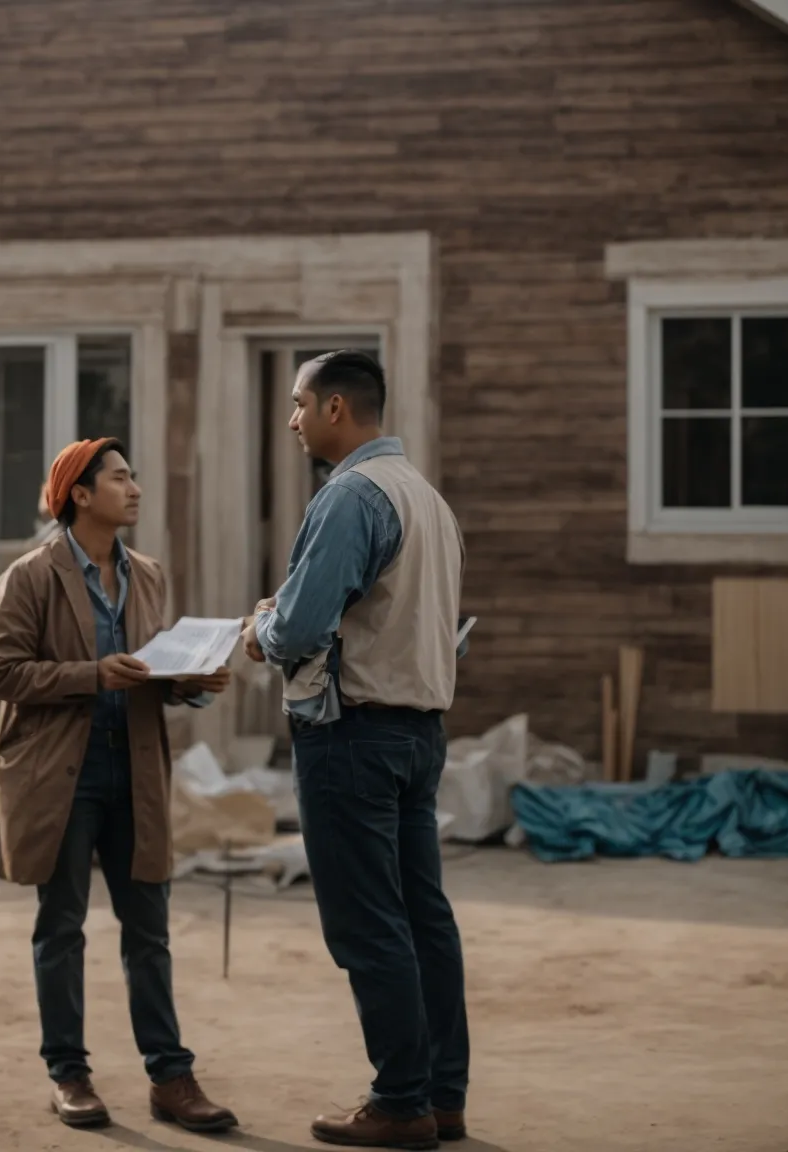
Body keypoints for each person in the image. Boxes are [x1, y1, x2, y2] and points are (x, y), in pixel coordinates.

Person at [0, 438, 239, 1134]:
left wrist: (191, 682)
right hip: (63, 775)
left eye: (133, 476)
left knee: (149, 930)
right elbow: (1, 674)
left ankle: (171, 1077)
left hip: (137, 769)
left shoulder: (147, 575)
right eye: (119, 478)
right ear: (80, 495)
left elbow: (151, 669)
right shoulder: (29, 576)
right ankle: (69, 1073)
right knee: (61, 928)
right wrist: (93, 674)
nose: (134, 487)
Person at [240, 350, 469, 1150]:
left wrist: (258, 628)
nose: (293, 420)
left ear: (337, 408)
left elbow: (298, 630)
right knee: (422, 917)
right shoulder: (428, 500)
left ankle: (400, 1101)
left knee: (368, 923)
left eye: (300, 404)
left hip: (352, 736)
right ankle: (441, 1096)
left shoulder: (350, 497)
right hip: (417, 732)